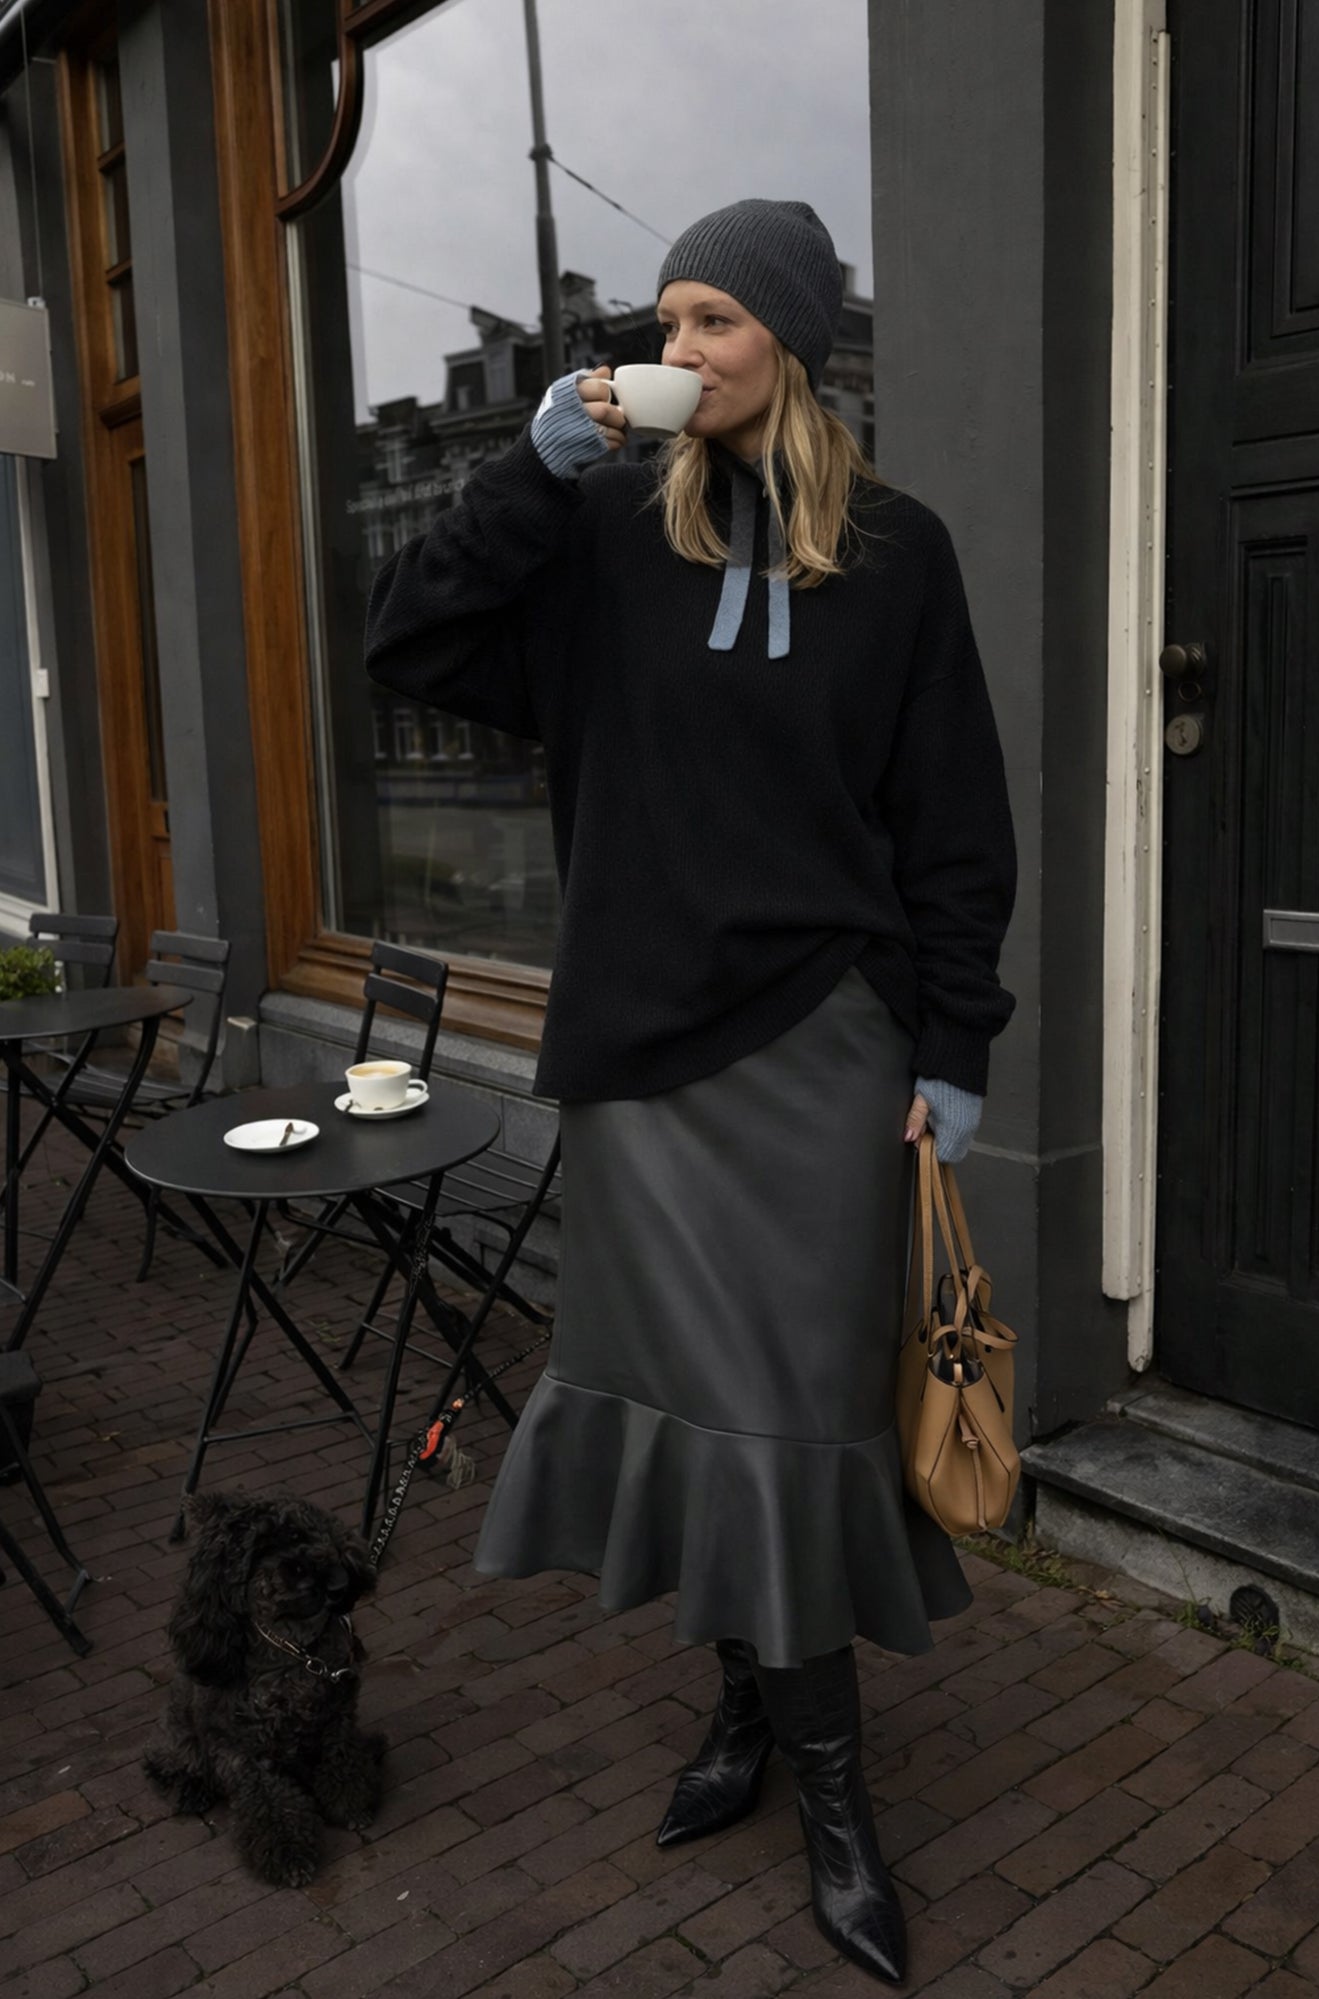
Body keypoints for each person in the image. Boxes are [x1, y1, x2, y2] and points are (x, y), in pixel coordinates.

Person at [365, 198, 1016, 1987]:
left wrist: (954, 1043)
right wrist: (526, 474)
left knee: (791, 1424)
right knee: (694, 1409)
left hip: (821, 1054)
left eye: (712, 317)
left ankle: (831, 1805)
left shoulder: (898, 554)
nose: (676, 349)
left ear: (786, 340)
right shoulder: (596, 533)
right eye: (665, 320)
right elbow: (405, 642)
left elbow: (953, 821)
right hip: (642, 1063)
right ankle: (753, 1718)